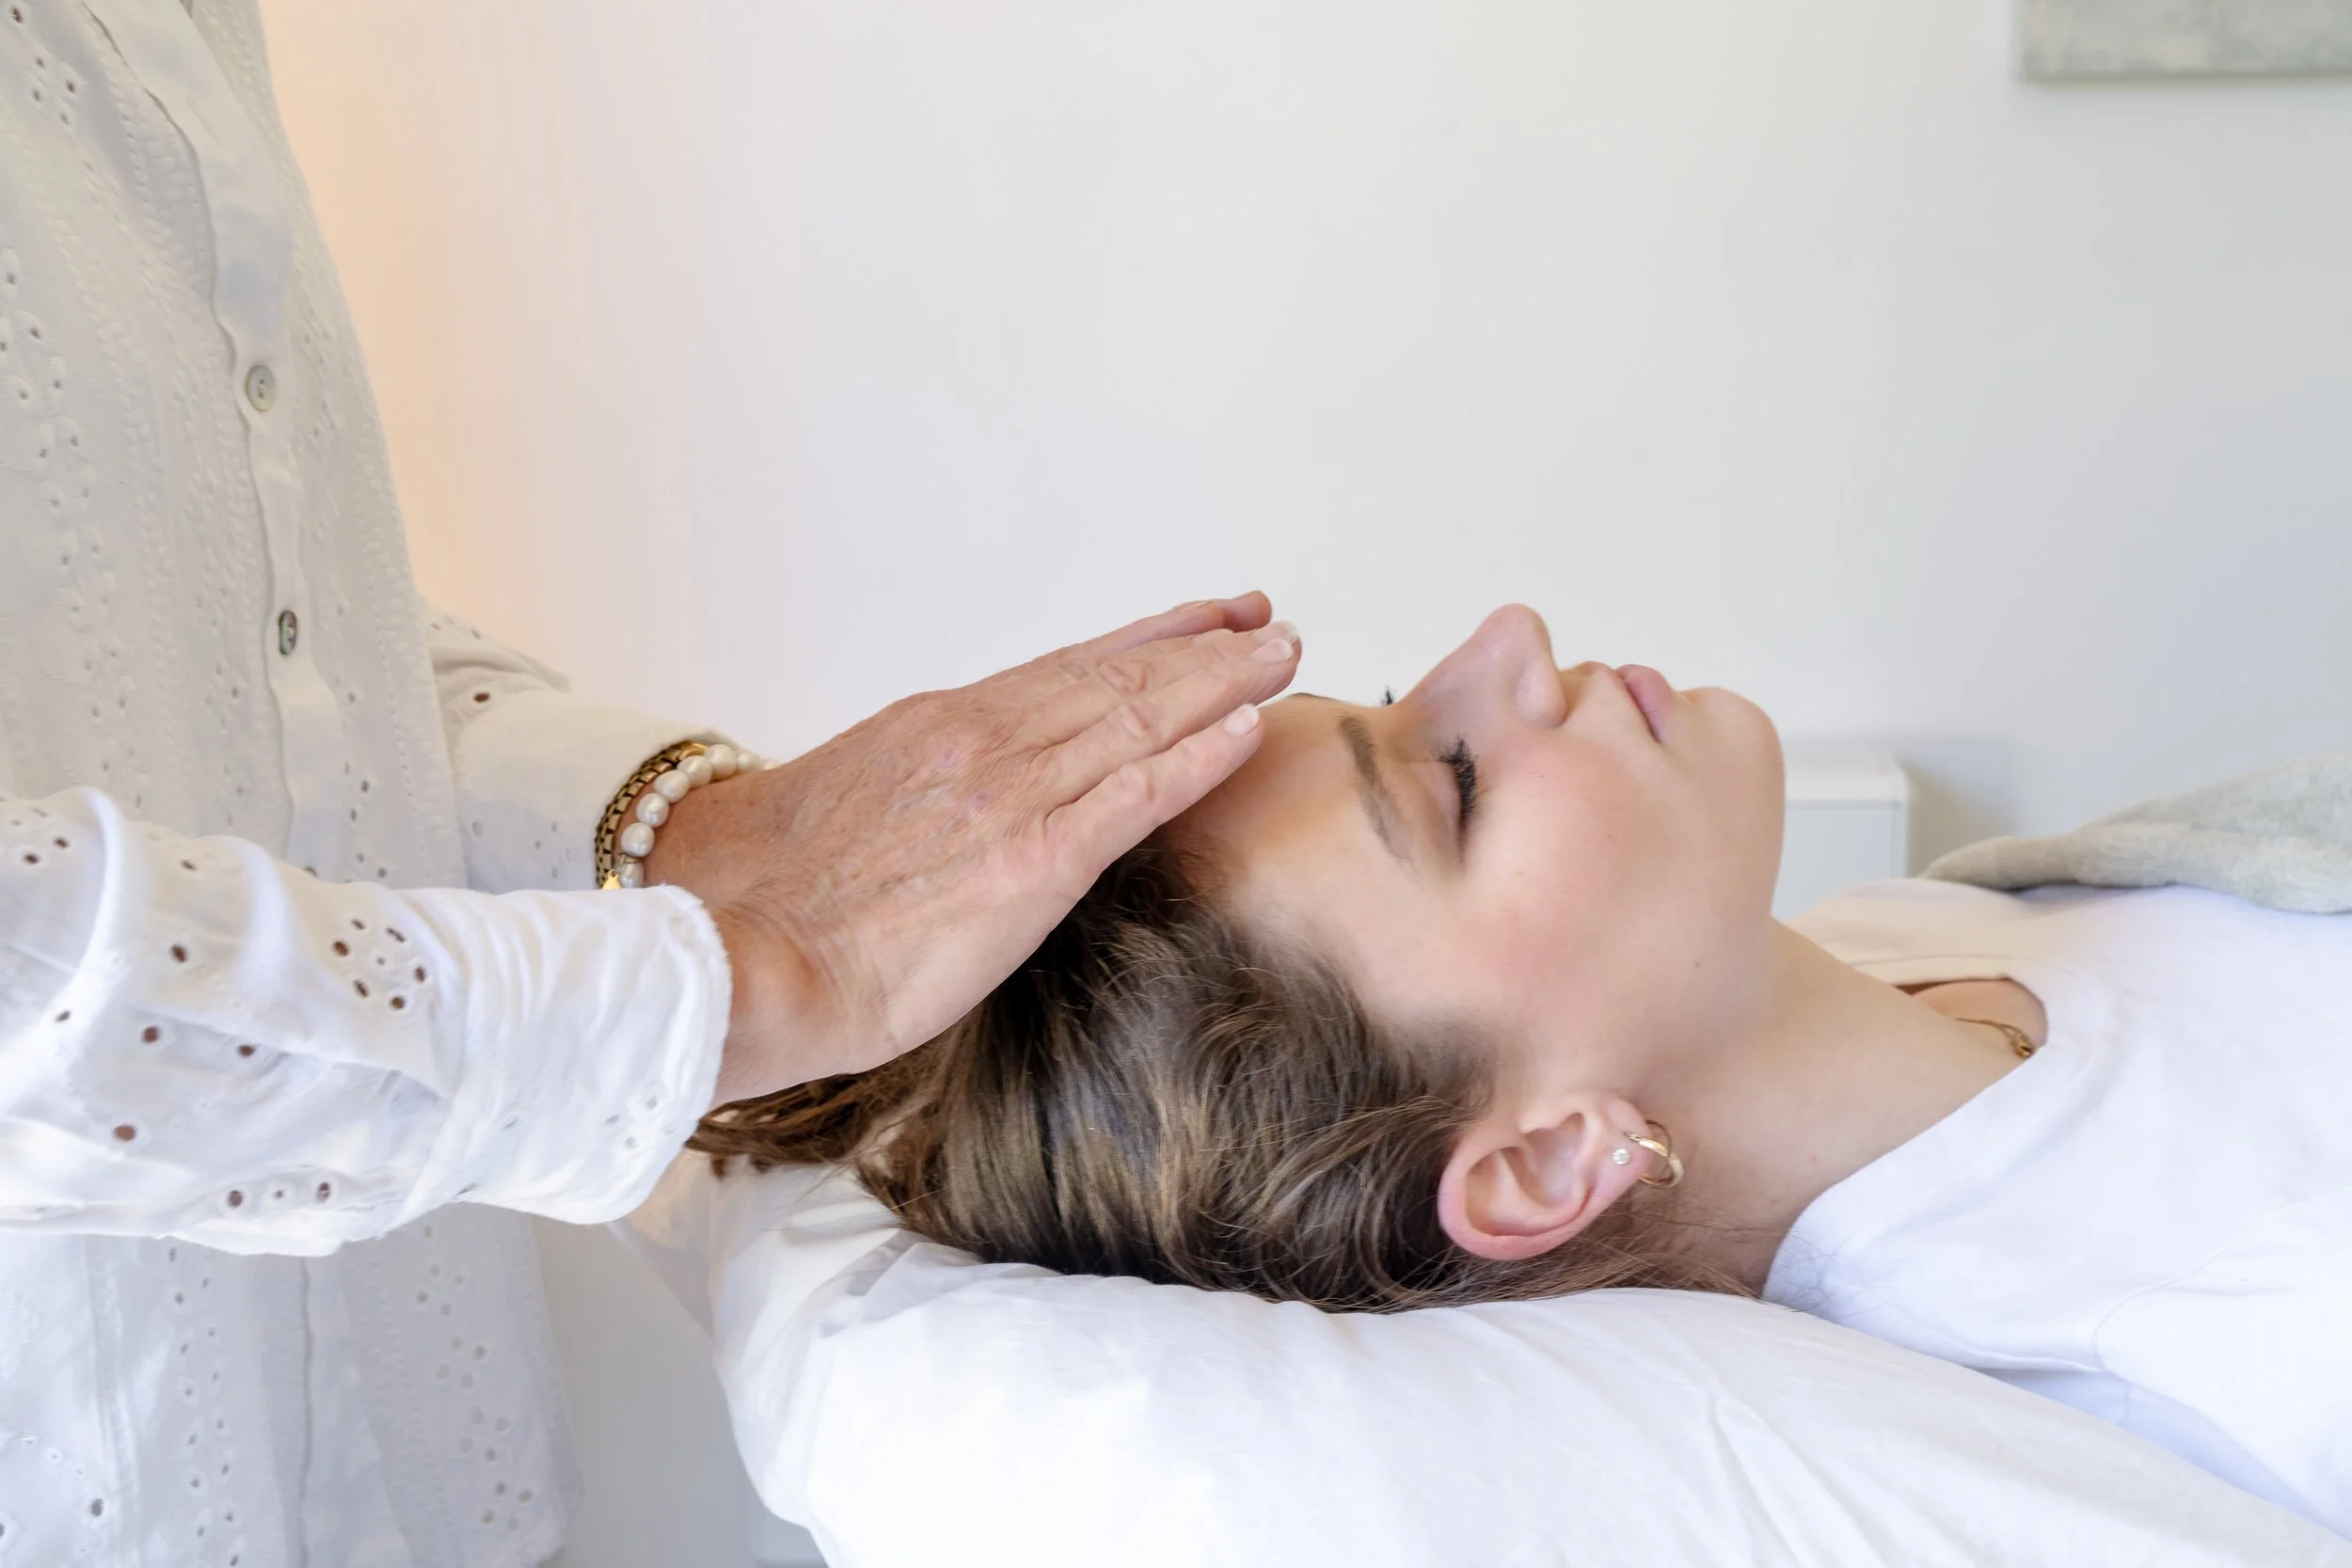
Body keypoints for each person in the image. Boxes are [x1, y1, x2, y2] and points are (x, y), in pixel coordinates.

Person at [0, 3, 1297, 1564]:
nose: (1520, 647)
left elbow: (234, 662)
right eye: (1452, 781)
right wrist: (751, 975)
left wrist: (708, 828)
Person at [697, 603, 2352, 1536]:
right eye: (1457, 780)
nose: (1512, 638)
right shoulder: (2232, 1346)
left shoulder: (1921, 940)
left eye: (1417, 688)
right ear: (1546, 1160)